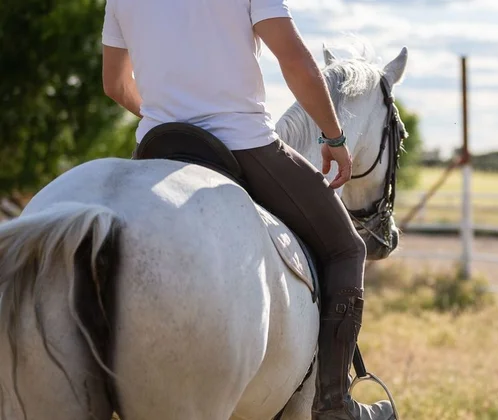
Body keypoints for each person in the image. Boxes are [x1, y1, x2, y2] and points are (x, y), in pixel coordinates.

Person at [100, 0, 395, 419]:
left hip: (157, 144)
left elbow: (114, 83)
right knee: (347, 250)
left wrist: (169, 115)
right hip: (241, 142)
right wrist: (332, 137)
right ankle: (333, 403)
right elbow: (293, 59)